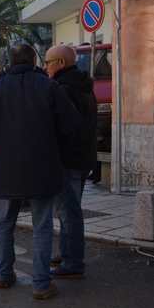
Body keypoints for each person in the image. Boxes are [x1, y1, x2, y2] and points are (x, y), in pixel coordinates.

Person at [0, 43, 81, 300]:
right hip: (42, 167)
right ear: (33, 59)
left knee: (4, 223)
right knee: (42, 225)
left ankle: (3, 274)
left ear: (10, 61)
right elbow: (72, 123)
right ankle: (41, 283)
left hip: (6, 169)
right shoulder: (49, 87)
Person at [44, 45, 98, 279]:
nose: (45, 67)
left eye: (49, 62)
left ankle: (74, 262)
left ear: (62, 63)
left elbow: (64, 128)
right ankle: (67, 254)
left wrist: (57, 154)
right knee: (69, 210)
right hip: (84, 157)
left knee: (69, 212)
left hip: (69, 159)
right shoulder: (83, 84)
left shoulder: (64, 88)